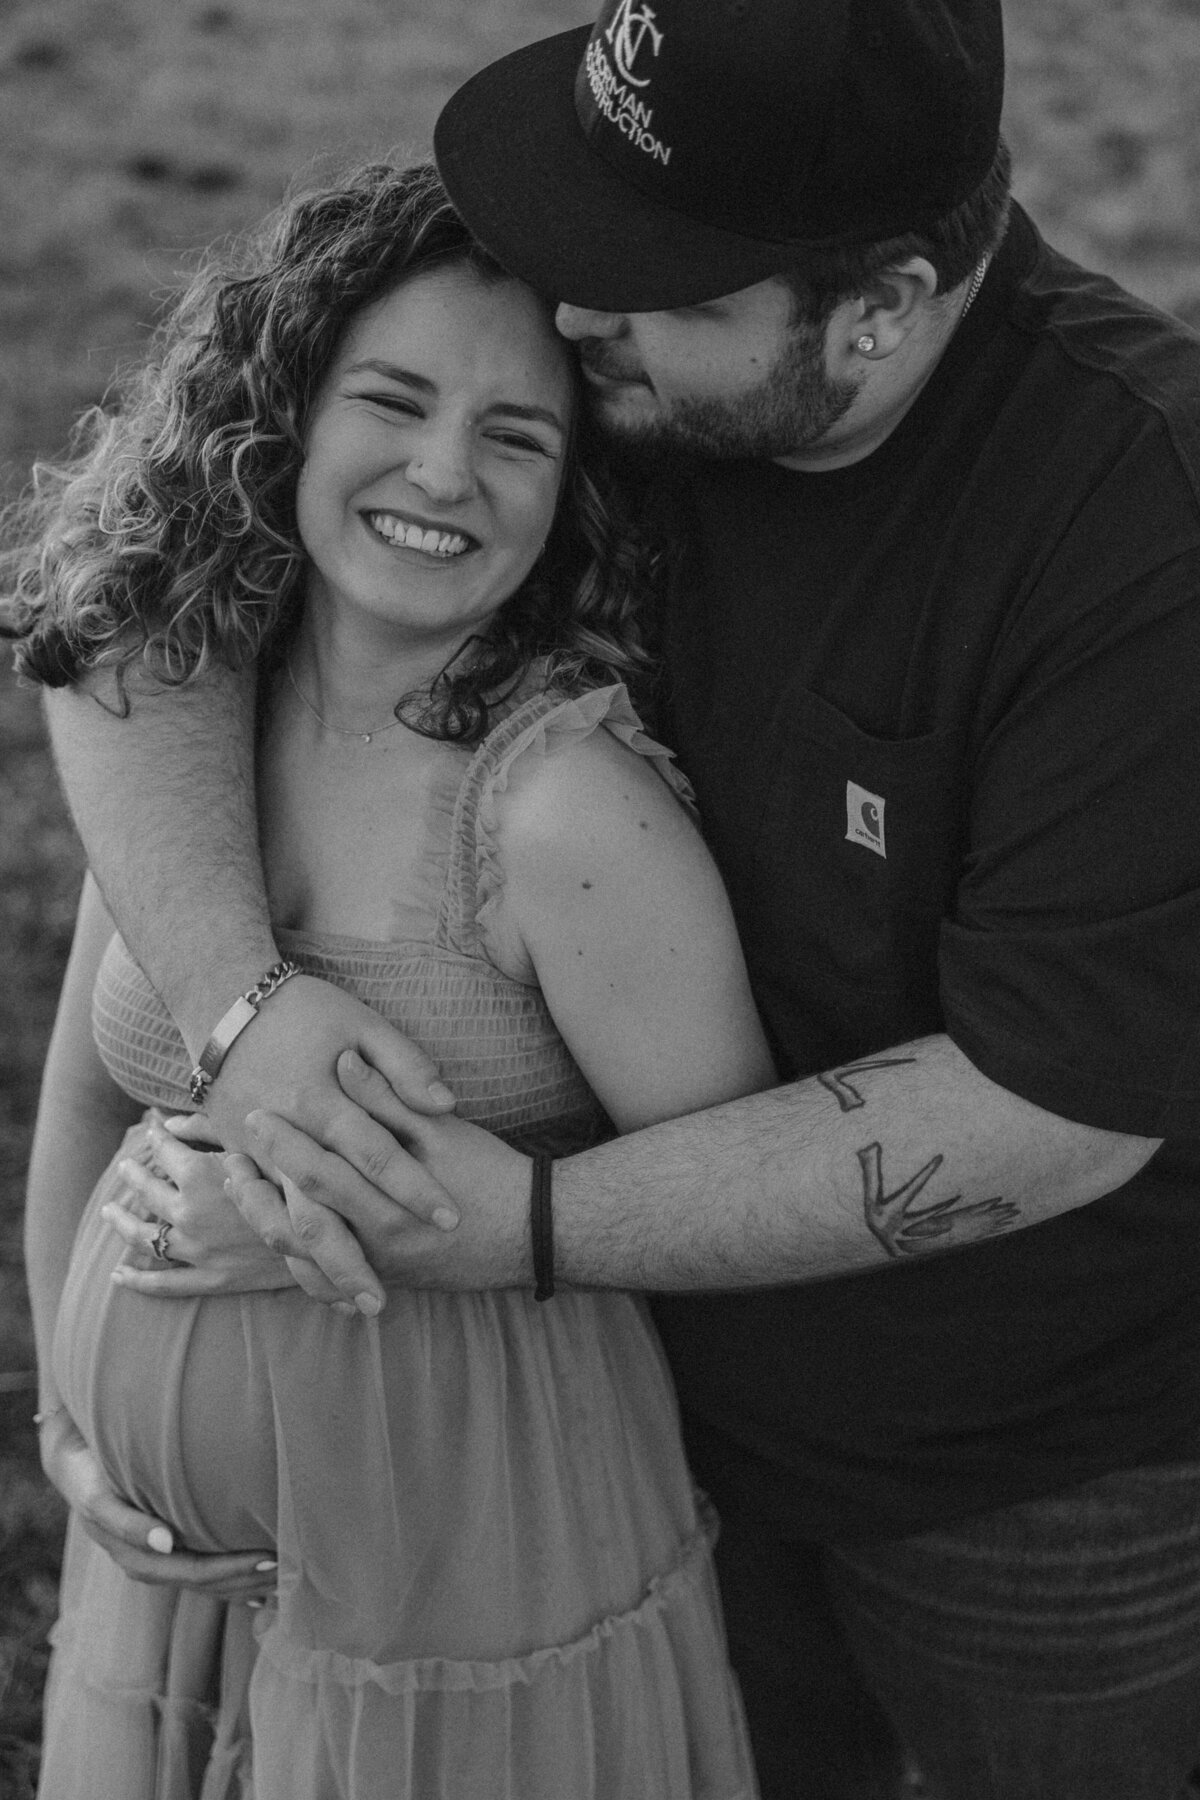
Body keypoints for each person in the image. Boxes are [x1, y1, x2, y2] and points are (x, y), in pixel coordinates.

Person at [18, 0, 1200, 1796]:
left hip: (1024, 1472)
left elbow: (1053, 1106)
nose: (570, 315)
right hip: (625, 1416)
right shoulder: (609, 329)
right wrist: (237, 1011)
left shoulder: (1136, 535)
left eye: (653, 289)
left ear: (874, 308)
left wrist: (507, 1227)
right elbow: (150, 610)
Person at [10, 160, 772, 1799]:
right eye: (394, 399)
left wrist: (342, 1221)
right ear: (285, 412)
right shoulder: (192, 716)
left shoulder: (569, 816)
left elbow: (723, 1208)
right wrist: (73, 1421)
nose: (444, 473)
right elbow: (87, 1085)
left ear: (576, 488)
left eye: (517, 436)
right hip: (160, 1574)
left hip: (467, 1551)